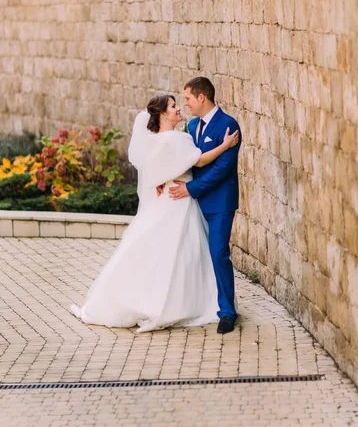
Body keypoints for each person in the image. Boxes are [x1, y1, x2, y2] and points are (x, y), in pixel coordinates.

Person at [69, 94, 239, 333]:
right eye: (173, 106)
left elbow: (154, 169)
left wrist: (162, 180)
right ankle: (178, 302)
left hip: (170, 197)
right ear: (162, 115)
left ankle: (146, 298)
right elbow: (199, 162)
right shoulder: (177, 138)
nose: (179, 108)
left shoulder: (156, 139)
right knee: (182, 254)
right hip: (180, 200)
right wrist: (226, 144)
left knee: (161, 252)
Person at [169, 77, 241, 334]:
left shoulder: (228, 125)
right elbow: (188, 160)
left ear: (202, 97)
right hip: (193, 204)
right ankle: (202, 304)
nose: (185, 103)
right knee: (194, 256)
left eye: (187, 98)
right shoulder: (192, 125)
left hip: (220, 203)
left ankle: (228, 312)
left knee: (219, 253)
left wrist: (190, 189)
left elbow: (222, 169)